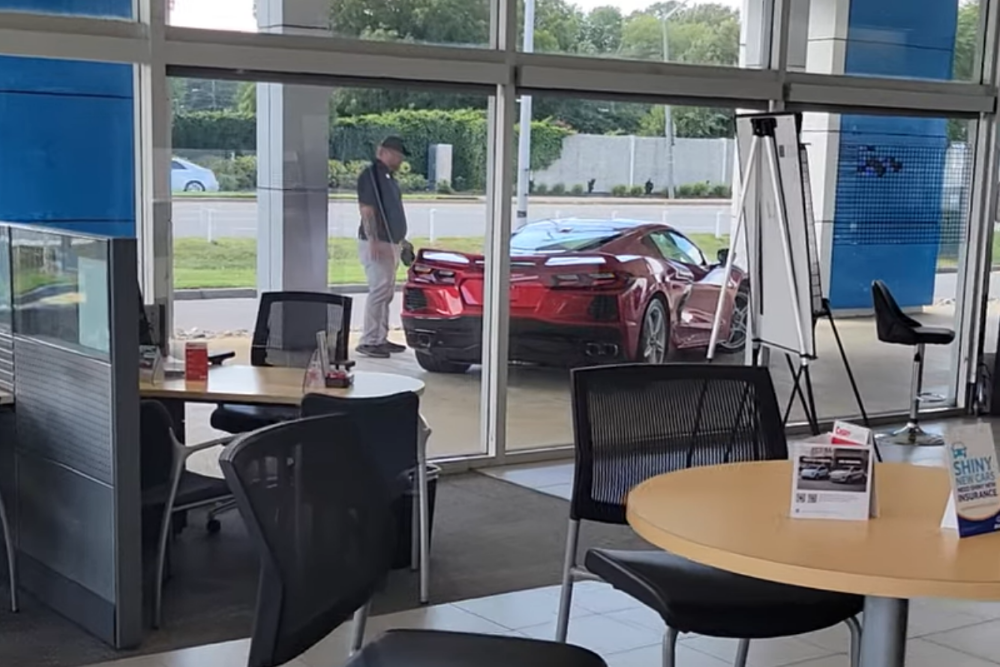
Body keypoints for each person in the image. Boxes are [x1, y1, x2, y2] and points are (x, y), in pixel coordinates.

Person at [356, 136, 410, 359]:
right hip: (378, 242)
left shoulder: (387, 178)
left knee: (386, 291)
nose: (399, 160)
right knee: (379, 290)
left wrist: (401, 240)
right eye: (396, 155)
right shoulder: (372, 176)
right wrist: (373, 239)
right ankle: (369, 340)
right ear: (383, 152)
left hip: (390, 241)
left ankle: (380, 337)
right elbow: (367, 209)